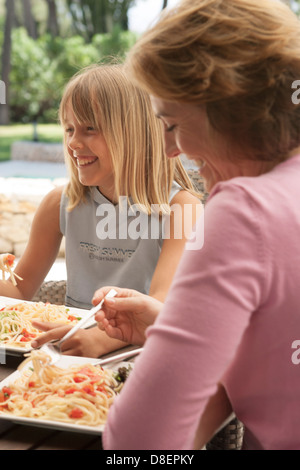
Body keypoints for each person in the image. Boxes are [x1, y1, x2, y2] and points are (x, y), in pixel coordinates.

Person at [92, 0, 300, 450]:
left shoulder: (245, 210)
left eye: (171, 124)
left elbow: (137, 443)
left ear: (227, 110)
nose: (170, 150)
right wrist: (171, 326)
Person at [0, 63, 201, 358]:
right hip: (66, 353)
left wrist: (98, 341)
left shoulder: (182, 209)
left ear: (134, 133)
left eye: (89, 128)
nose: (73, 142)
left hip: (143, 356)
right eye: (69, 128)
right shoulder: (59, 204)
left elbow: (161, 306)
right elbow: (18, 291)